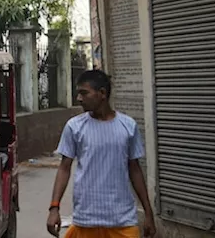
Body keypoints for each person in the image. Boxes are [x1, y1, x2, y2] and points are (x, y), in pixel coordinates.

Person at [46, 69, 156, 238]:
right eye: (78, 93)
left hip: (122, 220)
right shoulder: (74, 127)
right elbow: (64, 168)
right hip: (86, 219)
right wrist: (54, 207)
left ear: (102, 93)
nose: (79, 98)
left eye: (84, 93)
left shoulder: (128, 126)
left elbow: (135, 170)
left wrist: (148, 213)